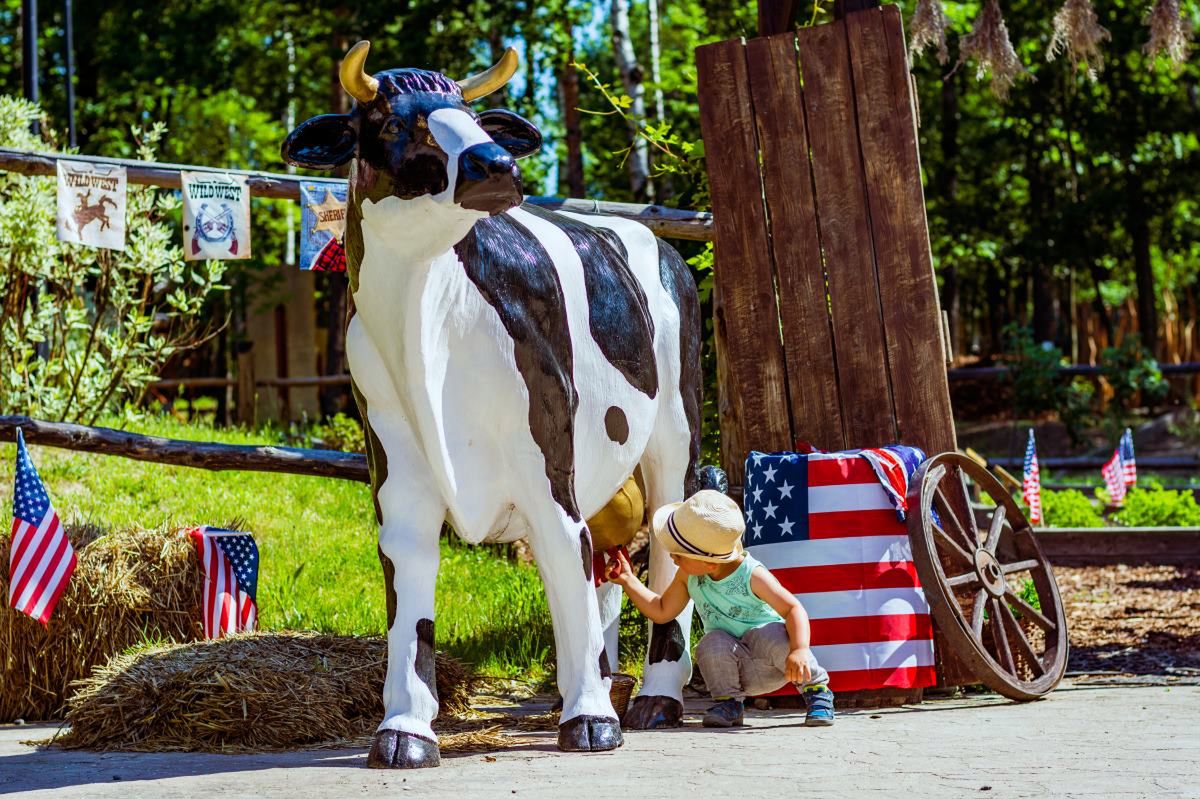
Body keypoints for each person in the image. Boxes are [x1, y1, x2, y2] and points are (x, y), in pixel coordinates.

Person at [606, 489, 835, 728]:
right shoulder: (689, 576)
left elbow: (792, 609)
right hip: (734, 668)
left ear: (708, 561)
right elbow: (662, 610)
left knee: (771, 634)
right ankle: (729, 703)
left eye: (680, 554)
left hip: (777, 663)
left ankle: (817, 691)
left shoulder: (752, 574)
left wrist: (799, 650)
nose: (673, 557)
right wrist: (628, 580)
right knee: (711, 642)